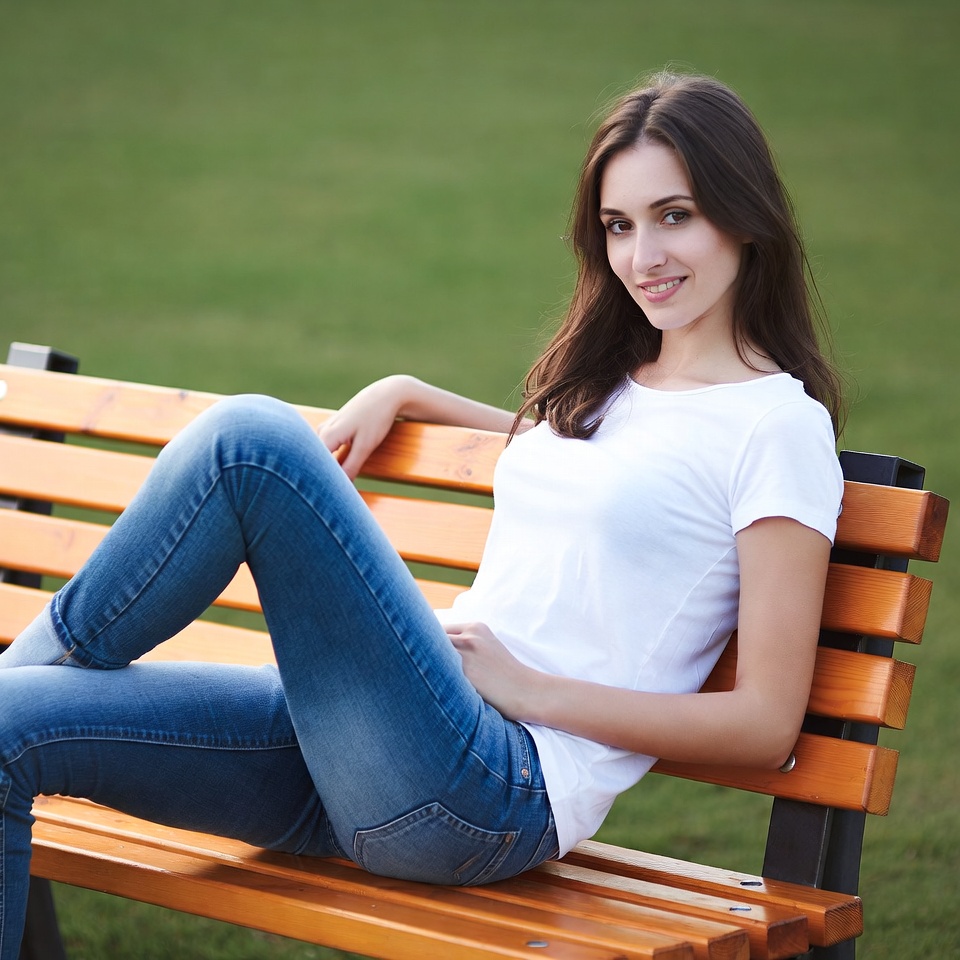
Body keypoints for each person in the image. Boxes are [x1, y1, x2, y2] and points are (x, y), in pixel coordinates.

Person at [0, 71, 844, 957]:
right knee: (11, 731)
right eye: (619, 226)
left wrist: (536, 692)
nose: (643, 257)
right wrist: (412, 393)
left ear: (743, 214)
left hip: (489, 788)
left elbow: (764, 723)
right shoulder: (623, 387)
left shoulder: (776, 428)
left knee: (251, 442)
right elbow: (592, 467)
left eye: (675, 216)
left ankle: (23, 665)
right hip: (379, 749)